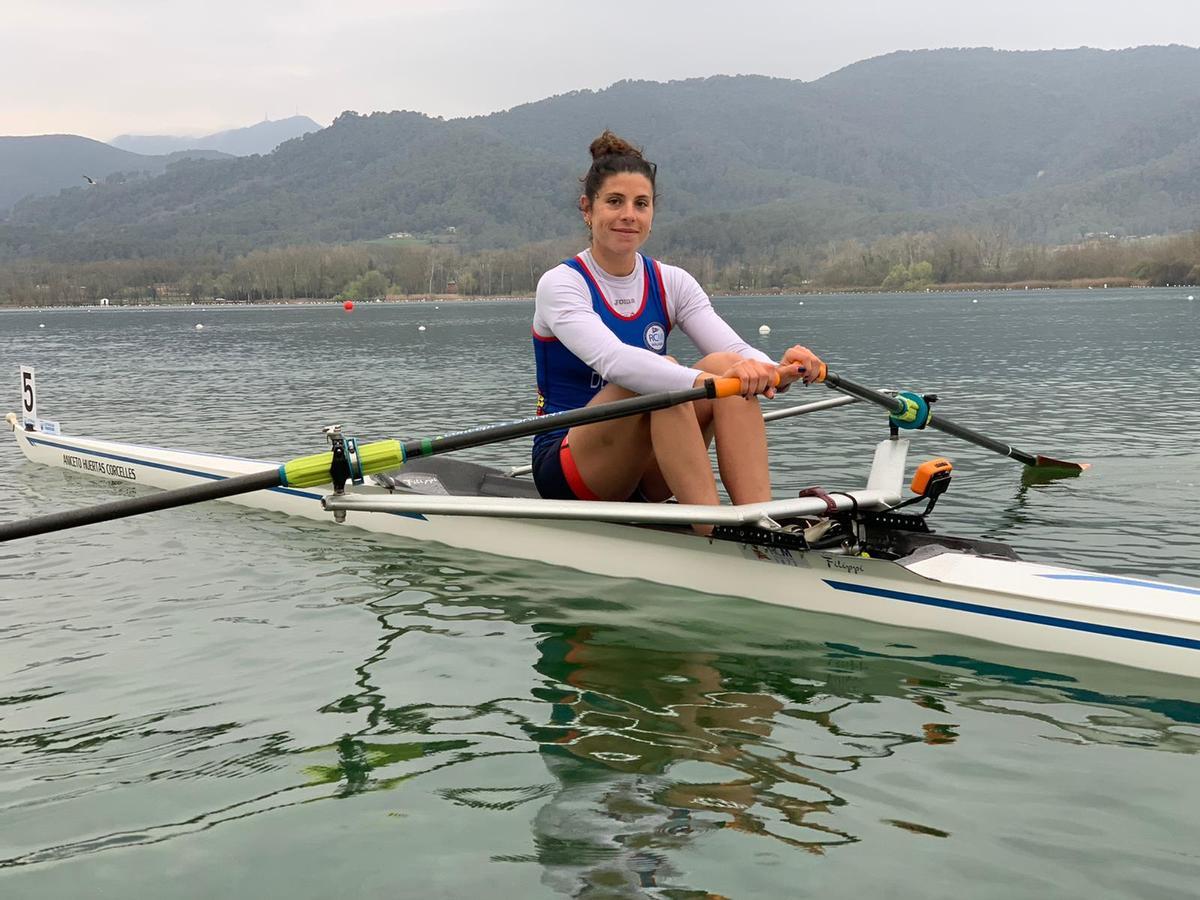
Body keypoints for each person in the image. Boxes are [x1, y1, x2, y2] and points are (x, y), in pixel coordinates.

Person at [531, 130, 824, 521]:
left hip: (649, 468)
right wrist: (695, 382)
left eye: (641, 204)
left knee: (723, 365)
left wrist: (779, 370)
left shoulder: (672, 281)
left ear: (653, 212)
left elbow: (737, 353)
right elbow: (615, 361)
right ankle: (710, 530)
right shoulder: (562, 283)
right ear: (587, 208)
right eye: (614, 202)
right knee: (665, 377)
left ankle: (759, 519)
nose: (628, 215)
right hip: (571, 469)